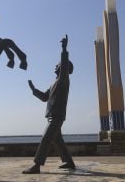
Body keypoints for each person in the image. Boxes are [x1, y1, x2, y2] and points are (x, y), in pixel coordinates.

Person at [23, 35, 75, 174]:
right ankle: (69, 162)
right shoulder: (54, 84)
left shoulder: (64, 79)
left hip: (56, 116)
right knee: (58, 141)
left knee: (46, 138)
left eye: (57, 65)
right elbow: (45, 97)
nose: (55, 66)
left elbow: (64, 65)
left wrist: (64, 49)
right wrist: (34, 90)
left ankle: (36, 166)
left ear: (64, 68)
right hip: (53, 116)